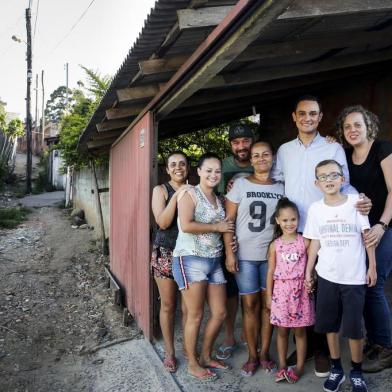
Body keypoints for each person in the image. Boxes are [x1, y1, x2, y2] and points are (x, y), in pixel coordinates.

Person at [272, 95, 371, 377]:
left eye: (313, 114)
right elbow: (277, 180)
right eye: (302, 114)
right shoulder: (284, 150)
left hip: (324, 229)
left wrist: (359, 201)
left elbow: (345, 183)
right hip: (294, 230)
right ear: (294, 117)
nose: (307, 118)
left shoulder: (333, 147)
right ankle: (303, 343)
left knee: (321, 292)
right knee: (297, 290)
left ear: (320, 116)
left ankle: (322, 351)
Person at [304, 159, 377, 392]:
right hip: (326, 275)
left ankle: (356, 371)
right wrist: (309, 271)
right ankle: (336, 369)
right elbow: (314, 242)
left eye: (333, 175)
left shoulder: (356, 203)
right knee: (330, 326)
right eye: (323, 177)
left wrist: (372, 266)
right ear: (317, 183)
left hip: (353, 277)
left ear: (342, 179)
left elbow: (367, 237)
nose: (329, 180)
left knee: (355, 328)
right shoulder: (315, 209)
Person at [336, 105, 392, 372]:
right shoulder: (345, 155)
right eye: (347, 127)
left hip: (385, 226)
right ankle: (374, 340)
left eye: (358, 124)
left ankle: (386, 348)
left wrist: (382, 224)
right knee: (363, 283)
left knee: (375, 284)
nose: (352, 130)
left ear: (369, 126)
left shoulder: (383, 149)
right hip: (359, 230)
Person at [172, 153, 235, 381]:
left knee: (219, 313)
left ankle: (206, 355)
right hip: (190, 259)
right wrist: (217, 227)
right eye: (208, 170)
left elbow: (226, 227)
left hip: (214, 260)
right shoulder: (189, 194)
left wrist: (229, 248)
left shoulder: (219, 200)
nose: (213, 175)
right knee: (195, 315)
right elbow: (186, 225)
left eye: (217, 171)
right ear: (198, 172)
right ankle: (192, 363)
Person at [224, 141, 284, 376]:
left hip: (272, 256)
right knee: (249, 305)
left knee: (268, 306)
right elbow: (228, 222)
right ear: (251, 160)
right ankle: (251, 354)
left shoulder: (282, 187)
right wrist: (230, 252)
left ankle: (265, 352)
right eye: (256, 155)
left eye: (265, 154)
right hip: (246, 256)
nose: (260, 159)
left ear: (272, 158)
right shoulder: (240, 184)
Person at [216, 123, 255, 361]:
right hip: (230, 235)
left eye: (245, 141)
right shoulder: (222, 167)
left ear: (252, 141)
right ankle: (230, 335)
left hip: (257, 238)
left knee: (253, 293)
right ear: (231, 145)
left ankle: (250, 334)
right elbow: (217, 201)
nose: (241, 146)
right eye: (235, 142)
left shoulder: (263, 160)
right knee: (230, 291)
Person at [266, 198, 315, 384]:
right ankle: (282, 366)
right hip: (280, 294)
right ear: (278, 220)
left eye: (293, 219)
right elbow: (270, 271)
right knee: (282, 332)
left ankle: (300, 367)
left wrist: (312, 280)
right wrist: (268, 296)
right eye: (285, 220)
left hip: (301, 293)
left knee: (300, 332)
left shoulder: (305, 242)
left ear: (298, 219)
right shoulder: (275, 245)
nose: (289, 224)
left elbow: (312, 266)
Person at [151, 151, 190, 372]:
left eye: (182, 164)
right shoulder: (160, 190)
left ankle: (187, 347)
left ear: (188, 168)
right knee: (168, 305)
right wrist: (176, 195)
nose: (178, 168)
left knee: (188, 307)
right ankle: (169, 352)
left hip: (189, 254)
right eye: (173, 164)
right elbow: (163, 222)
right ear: (167, 169)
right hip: (165, 252)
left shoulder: (194, 190)